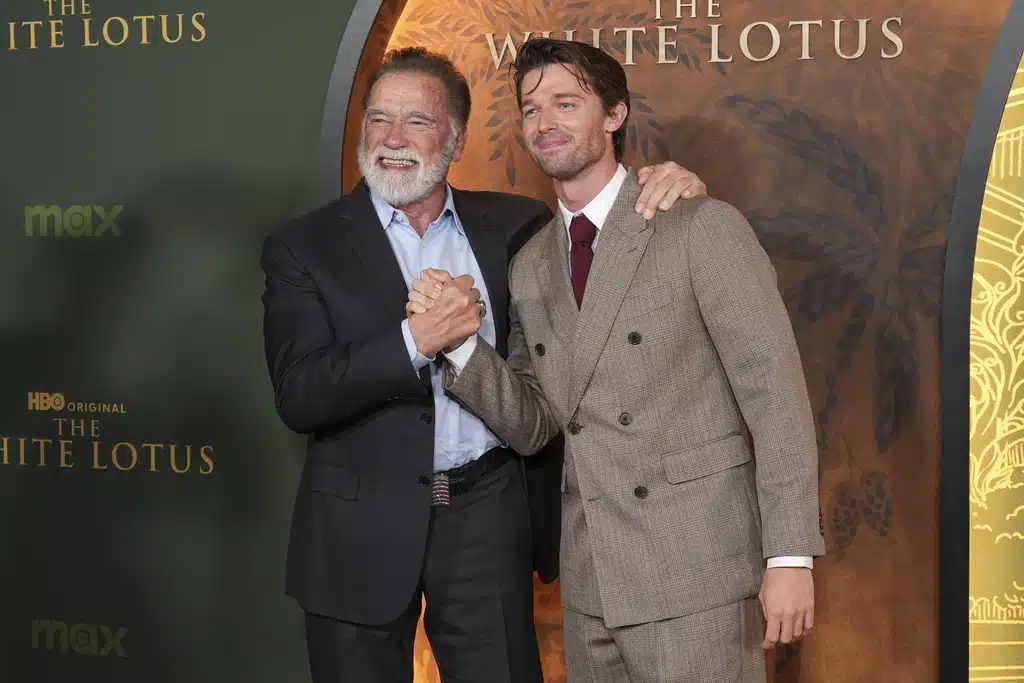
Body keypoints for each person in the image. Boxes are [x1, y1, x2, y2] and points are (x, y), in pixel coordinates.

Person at [259, 45, 708, 683]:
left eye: (417, 121)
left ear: (457, 137)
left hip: (486, 518)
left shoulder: (517, 226)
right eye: (379, 119)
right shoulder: (304, 246)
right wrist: (416, 339)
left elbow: (608, 243)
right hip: (355, 529)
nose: (392, 138)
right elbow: (299, 395)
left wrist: (673, 190)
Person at [409, 38, 825, 682]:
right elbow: (536, 422)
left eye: (566, 103)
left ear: (613, 116)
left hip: (698, 569)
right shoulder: (532, 263)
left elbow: (776, 398)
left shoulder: (697, 225)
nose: (544, 122)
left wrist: (791, 555)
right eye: (530, 108)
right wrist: (462, 344)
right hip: (591, 576)